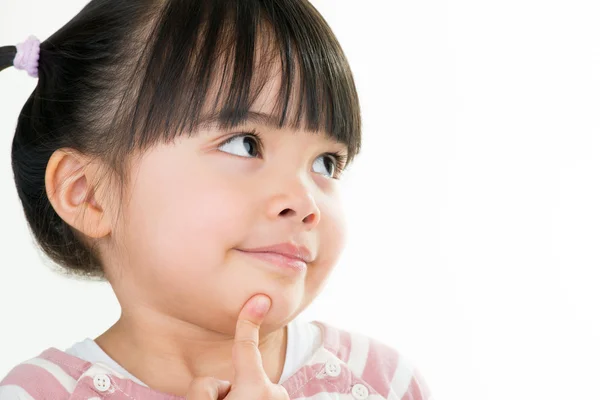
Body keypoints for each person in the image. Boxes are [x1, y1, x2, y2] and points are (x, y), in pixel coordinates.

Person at [0, 0, 433, 399]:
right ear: (88, 194)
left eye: (325, 163)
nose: (305, 202)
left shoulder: (383, 381)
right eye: (245, 144)